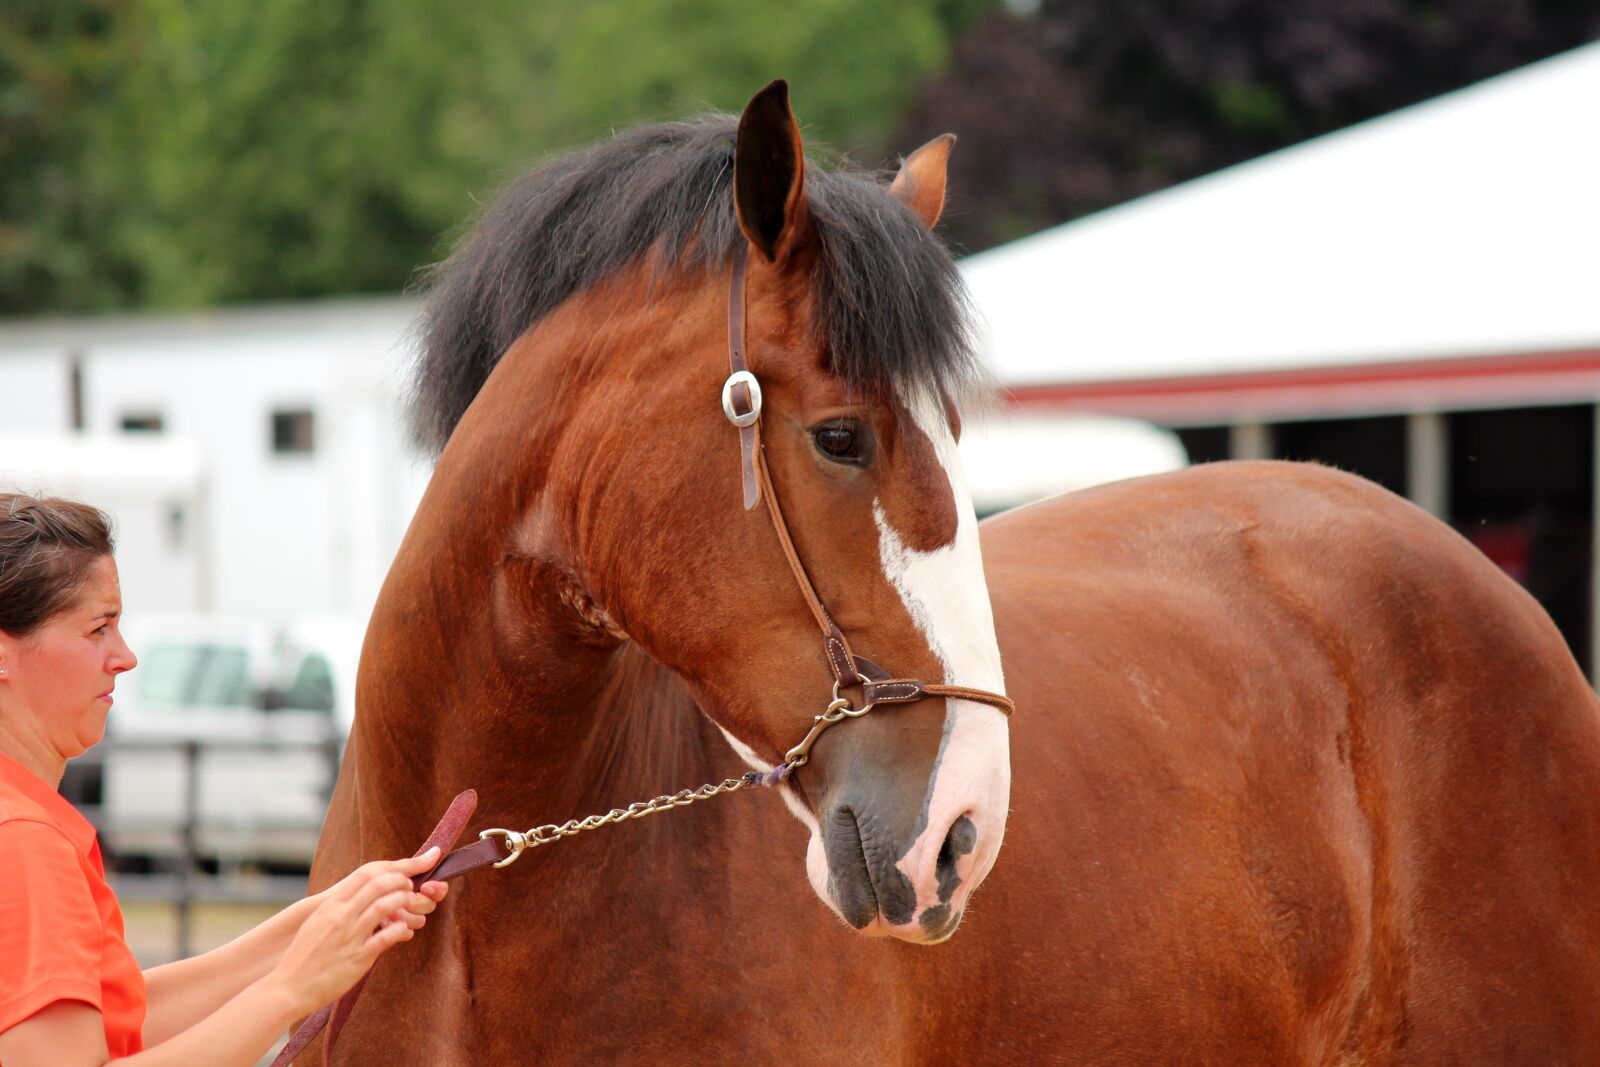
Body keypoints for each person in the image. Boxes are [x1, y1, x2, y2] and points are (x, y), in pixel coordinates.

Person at [0, 492, 448, 1066]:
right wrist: (290, 989)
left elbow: (124, 1020)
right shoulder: (25, 839)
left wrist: (323, 919)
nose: (126, 656)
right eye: (98, 630)